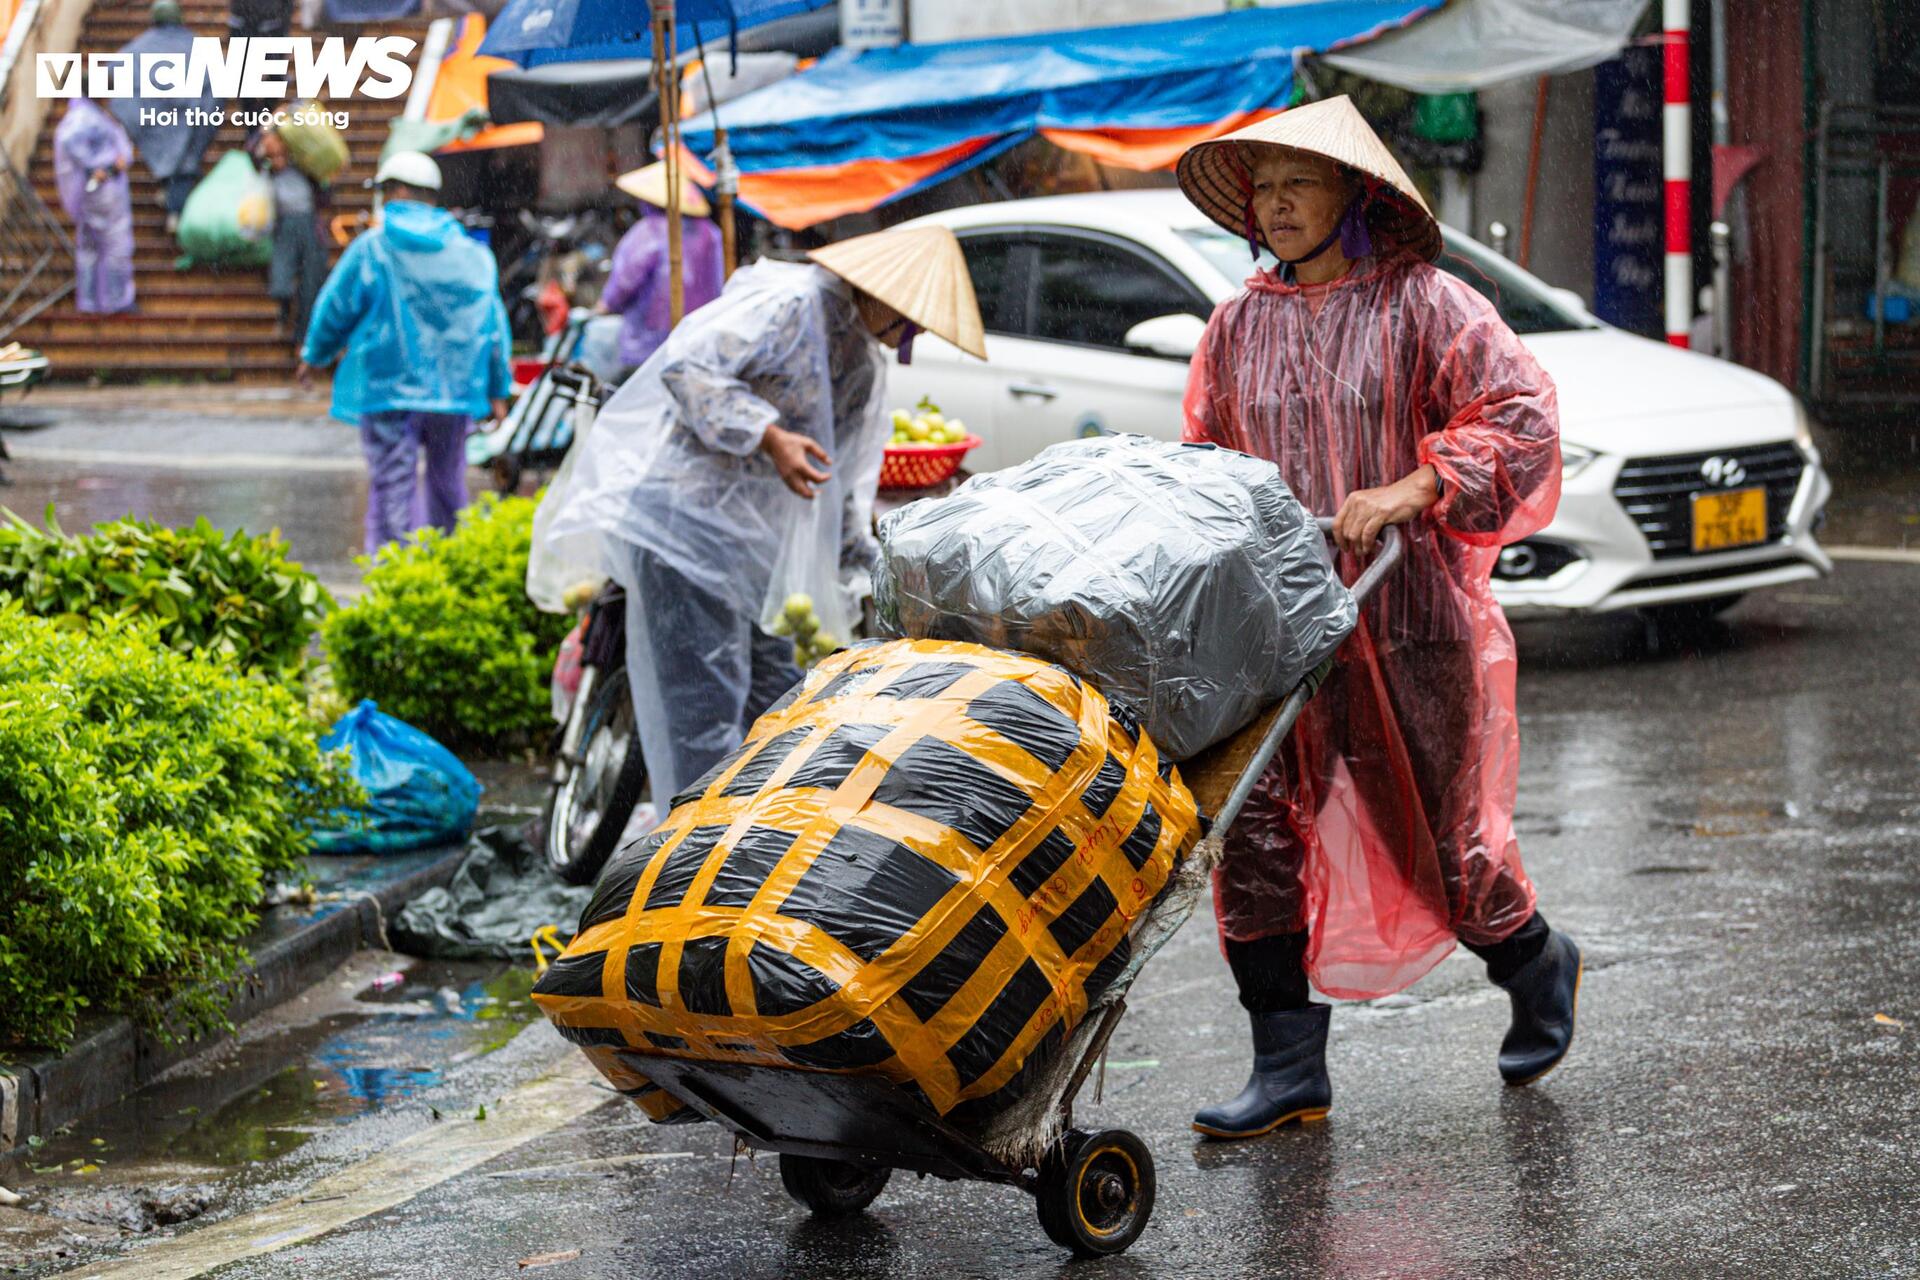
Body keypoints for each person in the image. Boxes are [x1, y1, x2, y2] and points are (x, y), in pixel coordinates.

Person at [1174, 96, 1580, 1139]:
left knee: (1436, 844)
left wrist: (1414, 486)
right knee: (1251, 833)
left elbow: (1521, 418)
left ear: (1352, 193)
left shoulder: (1425, 303)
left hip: (1406, 614)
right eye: (1264, 187)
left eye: (1297, 183)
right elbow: (1208, 462)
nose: (1277, 203)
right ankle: (1287, 1067)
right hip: (1273, 623)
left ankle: (1536, 960)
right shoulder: (1235, 325)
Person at [542, 225, 986, 802]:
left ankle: (747, 849)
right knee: (700, 720)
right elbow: (688, 369)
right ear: (881, 294)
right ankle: (689, 862)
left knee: (779, 716)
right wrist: (767, 435)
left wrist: (881, 573)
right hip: (685, 533)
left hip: (760, 556)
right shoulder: (785, 306)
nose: (915, 331)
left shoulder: (862, 365)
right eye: (913, 315)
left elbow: (844, 482)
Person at [296, 151, 510, 553]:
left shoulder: (373, 248)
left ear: (392, 192)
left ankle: (395, 571)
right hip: (454, 388)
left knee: (393, 484)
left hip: (389, 387)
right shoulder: (470, 254)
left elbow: (337, 306)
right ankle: (449, 564)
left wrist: (315, 354)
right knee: (448, 481)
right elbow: (492, 325)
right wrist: (498, 388)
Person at [597, 162, 726, 380]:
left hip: (649, 345)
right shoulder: (711, 233)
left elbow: (625, 282)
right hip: (700, 341)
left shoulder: (648, 232)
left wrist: (605, 305)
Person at [108, 1, 219, 234]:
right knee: (185, 161)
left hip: (155, 121)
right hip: (190, 119)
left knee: (167, 157)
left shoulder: (137, 49)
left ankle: (174, 204)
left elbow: (116, 74)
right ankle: (177, 209)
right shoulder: (197, 46)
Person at [53, 98, 135, 316]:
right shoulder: (86, 117)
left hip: (96, 190)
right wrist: (96, 166)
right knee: (114, 245)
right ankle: (115, 299)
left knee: (90, 247)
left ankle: (90, 300)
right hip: (103, 191)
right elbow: (71, 141)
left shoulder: (90, 114)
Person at [256, 126, 327, 353]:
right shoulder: (265, 170)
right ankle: (284, 313)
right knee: (281, 281)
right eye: (273, 155)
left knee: (311, 284)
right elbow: (251, 150)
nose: (278, 159)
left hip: (309, 227)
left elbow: (325, 190)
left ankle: (301, 338)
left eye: (281, 154)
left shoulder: (304, 169)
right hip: (283, 226)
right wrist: (269, 130)